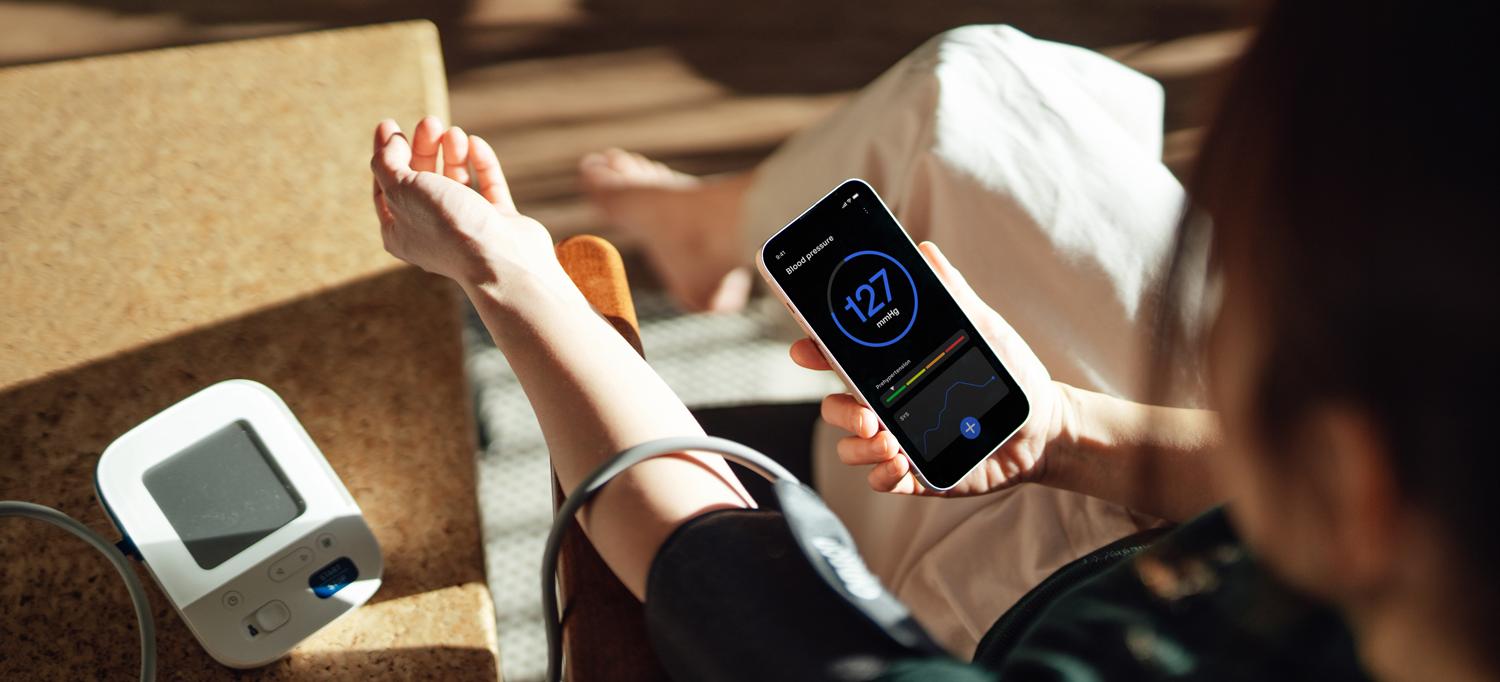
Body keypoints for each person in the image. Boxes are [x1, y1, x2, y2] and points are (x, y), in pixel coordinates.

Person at [369, 0, 1498, 680]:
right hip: (1144, 507)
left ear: (1353, 477)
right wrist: (1063, 427)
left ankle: (718, 233)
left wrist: (508, 274)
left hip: (1002, 610)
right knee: (978, 96)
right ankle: (718, 231)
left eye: (1248, 273)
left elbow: (710, 564)